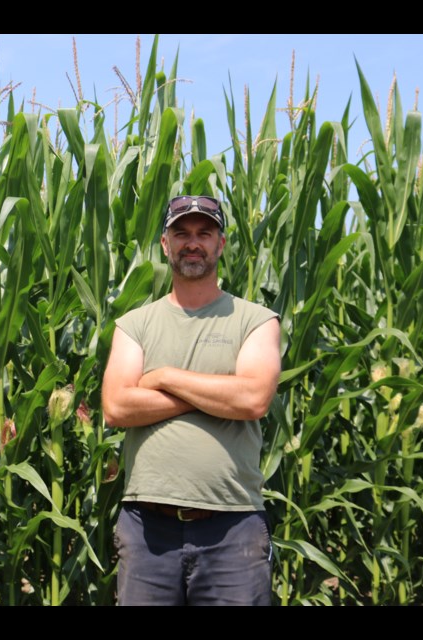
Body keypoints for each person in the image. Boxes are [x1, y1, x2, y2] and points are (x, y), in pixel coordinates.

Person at [101, 195, 281, 606]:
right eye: (181, 233)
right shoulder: (134, 325)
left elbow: (253, 399)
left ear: (221, 244)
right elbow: (117, 407)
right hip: (148, 529)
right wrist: (218, 391)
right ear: (165, 244)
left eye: (205, 233)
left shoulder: (255, 320)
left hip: (232, 527)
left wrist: (163, 378)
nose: (192, 243)